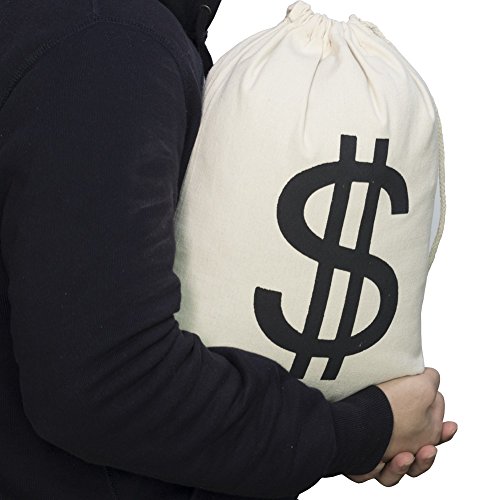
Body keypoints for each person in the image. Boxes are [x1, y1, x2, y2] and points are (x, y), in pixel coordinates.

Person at [0, 0, 457, 499]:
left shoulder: (96, 29)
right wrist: (354, 432)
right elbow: (106, 383)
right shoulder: (113, 42)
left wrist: (333, 426)